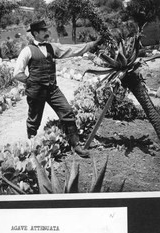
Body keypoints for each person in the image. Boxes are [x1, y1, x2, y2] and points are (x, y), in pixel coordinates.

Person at [13, 20, 101, 157]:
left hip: (52, 89)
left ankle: (76, 145)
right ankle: (32, 149)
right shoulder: (27, 51)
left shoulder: (52, 47)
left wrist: (92, 44)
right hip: (36, 91)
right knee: (34, 120)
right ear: (35, 33)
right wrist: (30, 82)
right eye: (43, 30)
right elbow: (17, 73)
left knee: (67, 112)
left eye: (46, 30)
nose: (47, 32)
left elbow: (71, 49)